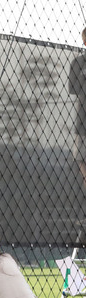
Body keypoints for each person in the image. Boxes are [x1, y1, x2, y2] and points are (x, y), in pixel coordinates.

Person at [69, 27, 86, 185]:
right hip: (82, 120)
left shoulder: (78, 62)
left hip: (82, 120)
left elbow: (73, 89)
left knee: (80, 155)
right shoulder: (78, 62)